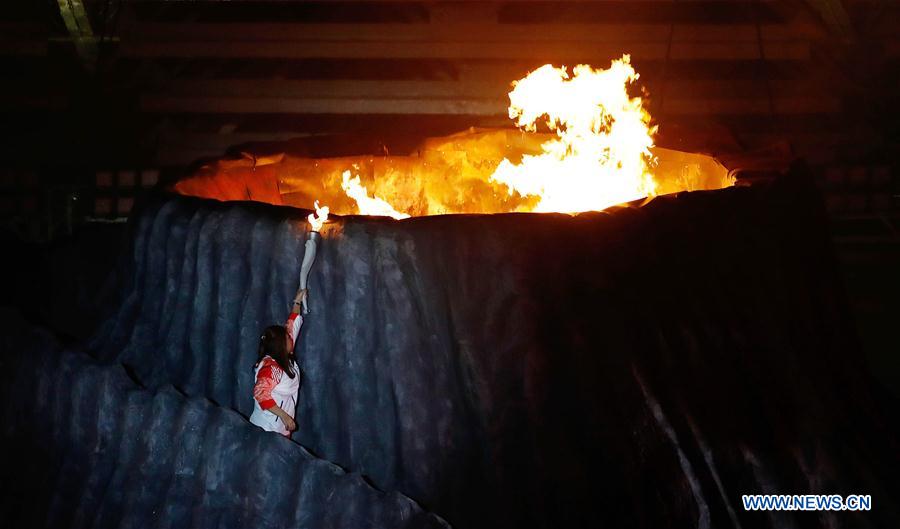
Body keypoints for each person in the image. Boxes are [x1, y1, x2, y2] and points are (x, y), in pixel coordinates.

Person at [249, 287, 307, 436]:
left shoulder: (282, 356)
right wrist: (285, 417)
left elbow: (291, 326)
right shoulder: (271, 368)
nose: (290, 337)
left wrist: (298, 301)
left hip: (279, 427)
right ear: (280, 344)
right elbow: (261, 394)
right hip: (267, 429)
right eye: (287, 337)